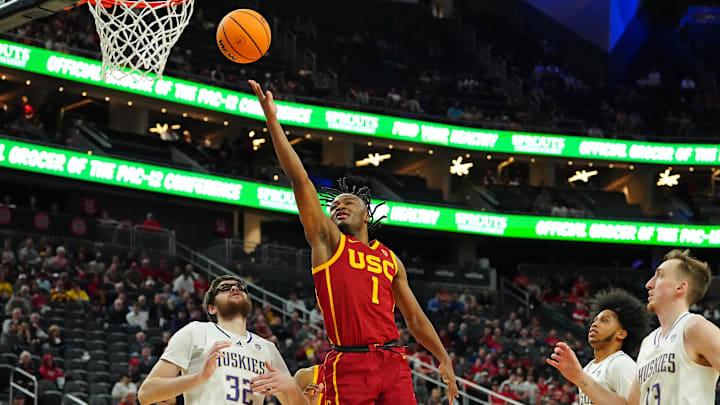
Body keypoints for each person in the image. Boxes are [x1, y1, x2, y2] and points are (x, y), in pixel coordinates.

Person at [249, 79, 458, 404]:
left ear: (367, 215)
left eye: (348, 203)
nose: (338, 206)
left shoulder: (390, 259)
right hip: (349, 361)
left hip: (392, 361)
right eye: (334, 206)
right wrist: (273, 122)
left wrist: (443, 356)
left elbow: (414, 318)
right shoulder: (328, 242)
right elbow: (300, 180)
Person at [548, 249, 720, 404]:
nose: (649, 284)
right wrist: (579, 378)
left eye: (660, 275)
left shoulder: (695, 328)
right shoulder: (648, 343)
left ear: (680, 287)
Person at [137, 275, 305, 405]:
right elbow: (146, 394)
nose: (234, 288)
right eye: (224, 288)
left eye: (240, 287)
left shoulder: (268, 348)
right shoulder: (196, 331)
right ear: (212, 308)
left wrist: (292, 387)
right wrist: (201, 376)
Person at [576, 289, 651, 404]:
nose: (594, 324)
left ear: (621, 333)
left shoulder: (621, 364)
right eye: (595, 320)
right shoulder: (587, 369)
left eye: (604, 320)